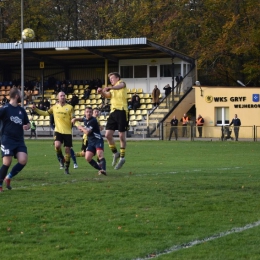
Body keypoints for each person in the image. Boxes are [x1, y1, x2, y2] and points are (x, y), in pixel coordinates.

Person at [32, 91, 74, 174]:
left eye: (64, 95)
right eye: (61, 96)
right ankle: (61, 159)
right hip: (58, 130)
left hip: (67, 131)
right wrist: (36, 109)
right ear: (58, 97)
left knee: (67, 150)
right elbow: (45, 113)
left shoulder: (70, 107)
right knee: (57, 145)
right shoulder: (54, 107)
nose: (62, 97)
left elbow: (73, 118)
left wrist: (75, 122)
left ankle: (66, 168)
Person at [0, 87, 30, 192]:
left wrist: (27, 126)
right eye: (21, 94)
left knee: (23, 160)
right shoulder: (5, 108)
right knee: (7, 162)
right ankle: (0, 184)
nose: (22, 96)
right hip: (7, 139)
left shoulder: (21, 110)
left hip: (19, 140)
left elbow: (28, 123)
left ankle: (9, 177)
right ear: (16, 96)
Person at [97, 72, 128, 170]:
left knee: (121, 136)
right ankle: (116, 153)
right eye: (110, 79)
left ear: (117, 78)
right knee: (107, 135)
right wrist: (101, 92)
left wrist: (110, 87)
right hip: (113, 112)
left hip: (122, 111)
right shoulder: (113, 89)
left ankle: (122, 158)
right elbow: (107, 95)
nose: (111, 80)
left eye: (112, 78)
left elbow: (120, 86)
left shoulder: (121, 83)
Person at [72, 107, 107, 176]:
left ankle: (103, 170)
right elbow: (82, 119)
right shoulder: (85, 118)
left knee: (100, 155)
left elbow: (87, 132)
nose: (89, 113)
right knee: (87, 157)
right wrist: (75, 119)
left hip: (98, 140)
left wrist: (80, 127)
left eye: (90, 112)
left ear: (92, 113)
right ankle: (100, 169)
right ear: (85, 113)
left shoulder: (93, 120)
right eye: (87, 112)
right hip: (91, 142)